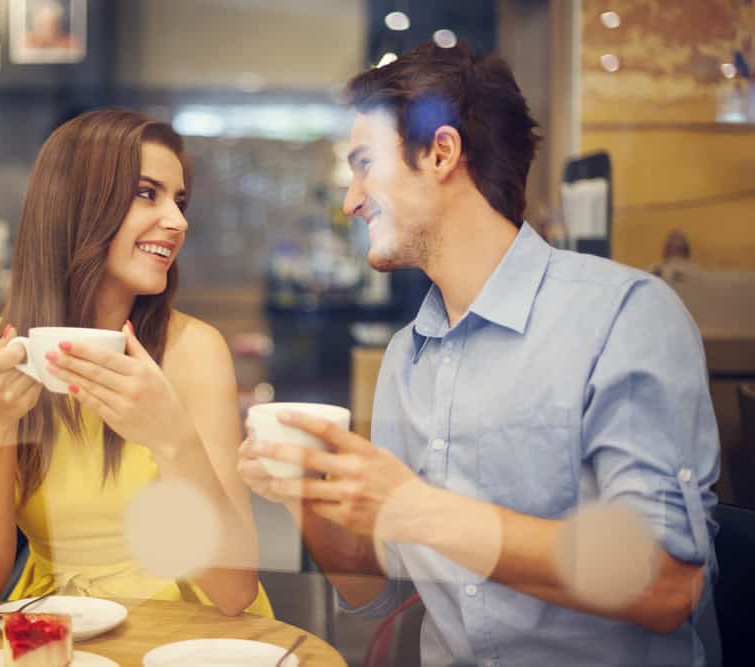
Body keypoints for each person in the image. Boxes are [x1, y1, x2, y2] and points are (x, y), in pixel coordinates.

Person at [239, 41, 719, 665]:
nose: (351, 200)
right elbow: (375, 589)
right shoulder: (407, 356)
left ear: (441, 152)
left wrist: (414, 506)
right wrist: (306, 493)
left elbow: (664, 584)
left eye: (365, 164)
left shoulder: (624, 317)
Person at [0, 109, 270, 617]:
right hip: (56, 628)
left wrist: (171, 437)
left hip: (190, 628)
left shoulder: (194, 351)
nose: (178, 222)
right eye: (146, 193)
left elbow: (235, 590)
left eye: (179, 201)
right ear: (75, 207)